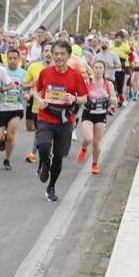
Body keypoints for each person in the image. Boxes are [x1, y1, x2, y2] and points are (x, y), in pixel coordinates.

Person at [32, 40, 89, 202]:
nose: (58, 57)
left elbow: (84, 98)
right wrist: (39, 100)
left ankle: (51, 186)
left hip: (64, 120)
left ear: (69, 56)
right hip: (46, 116)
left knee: (58, 156)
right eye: (55, 53)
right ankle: (44, 161)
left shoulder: (75, 75)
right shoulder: (46, 73)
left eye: (62, 54)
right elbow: (36, 91)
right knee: (43, 145)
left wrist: (74, 98)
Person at [76, 59, 117, 175]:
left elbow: (115, 101)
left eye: (100, 68)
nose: (98, 70)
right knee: (87, 138)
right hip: (88, 114)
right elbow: (80, 97)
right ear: (92, 69)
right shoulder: (87, 83)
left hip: (101, 115)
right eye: (96, 68)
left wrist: (107, 96)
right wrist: (84, 102)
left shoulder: (108, 84)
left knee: (96, 143)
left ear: (104, 70)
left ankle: (94, 164)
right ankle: (83, 149)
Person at [0, 47, 27, 171]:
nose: (12, 60)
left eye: (15, 58)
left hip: (16, 108)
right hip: (1, 108)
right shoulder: (2, 71)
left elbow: (26, 87)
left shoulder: (23, 73)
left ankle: (7, 159)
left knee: (11, 136)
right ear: (6, 59)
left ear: (19, 59)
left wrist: (27, 94)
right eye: (10, 58)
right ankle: (2, 140)